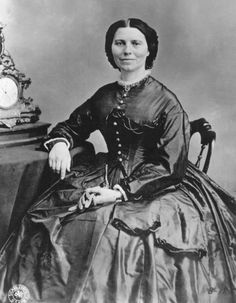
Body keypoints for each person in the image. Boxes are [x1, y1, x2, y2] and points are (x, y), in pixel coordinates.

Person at [0, 18, 235, 303]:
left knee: (114, 233)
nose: (127, 50)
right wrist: (62, 143)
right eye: (119, 43)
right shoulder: (104, 95)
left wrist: (117, 192)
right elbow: (73, 124)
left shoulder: (166, 101)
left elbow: (169, 165)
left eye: (136, 43)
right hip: (105, 171)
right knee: (68, 221)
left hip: (157, 185)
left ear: (149, 50)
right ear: (110, 49)